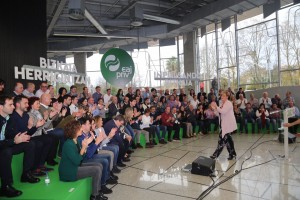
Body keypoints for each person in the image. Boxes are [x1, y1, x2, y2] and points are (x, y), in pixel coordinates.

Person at [0, 95, 40, 198]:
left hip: (6, 144)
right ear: (1, 107)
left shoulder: (7, 118)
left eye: (13, 104)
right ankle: (6, 186)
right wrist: (14, 140)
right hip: (4, 147)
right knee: (6, 152)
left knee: (30, 144)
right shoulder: (9, 118)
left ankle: (26, 174)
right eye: (10, 105)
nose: (13, 107)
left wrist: (17, 139)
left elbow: (9, 135)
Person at [59, 120, 107, 200]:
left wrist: (87, 143)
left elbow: (80, 157)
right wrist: (84, 147)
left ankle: (97, 191)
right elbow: (77, 160)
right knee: (96, 169)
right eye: (79, 128)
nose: (81, 129)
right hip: (69, 172)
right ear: (74, 131)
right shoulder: (68, 144)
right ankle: (94, 196)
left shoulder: (75, 140)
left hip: (74, 166)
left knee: (99, 165)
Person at [210, 92, 237, 160]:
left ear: (227, 97)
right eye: (221, 96)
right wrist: (214, 109)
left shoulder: (229, 103)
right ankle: (232, 154)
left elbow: (223, 111)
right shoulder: (222, 104)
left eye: (224, 96)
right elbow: (218, 114)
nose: (222, 97)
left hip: (228, 125)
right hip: (223, 125)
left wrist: (216, 107)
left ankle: (215, 155)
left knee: (221, 139)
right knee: (228, 140)